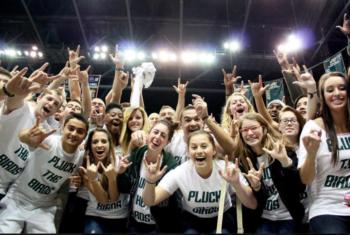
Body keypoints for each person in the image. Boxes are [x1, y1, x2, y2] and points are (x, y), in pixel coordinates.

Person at [142, 130, 257, 233]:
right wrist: (150, 182)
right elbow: (150, 201)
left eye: (204, 146)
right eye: (194, 147)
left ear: (213, 150)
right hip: (191, 219)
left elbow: (252, 204)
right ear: (188, 152)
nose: (199, 151)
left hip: (222, 217)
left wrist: (236, 183)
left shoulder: (228, 169)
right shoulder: (180, 172)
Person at [0, 113, 88, 233]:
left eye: (80, 131)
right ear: (63, 128)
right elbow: (23, 136)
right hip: (18, 200)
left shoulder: (80, 157)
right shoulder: (49, 141)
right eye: (71, 128)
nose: (74, 134)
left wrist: (70, 180)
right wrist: (27, 138)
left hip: (44, 207)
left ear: (84, 136)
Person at [236, 113, 305, 233]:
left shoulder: (283, 150)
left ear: (264, 128)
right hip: (263, 218)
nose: (250, 133)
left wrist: (285, 162)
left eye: (254, 128)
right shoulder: (243, 161)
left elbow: (300, 187)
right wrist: (256, 187)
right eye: (245, 130)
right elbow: (254, 202)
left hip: (289, 216)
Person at [298, 72, 350, 233]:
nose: (336, 93)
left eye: (342, 88)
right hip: (327, 208)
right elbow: (306, 179)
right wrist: (311, 153)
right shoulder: (313, 127)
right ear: (322, 97)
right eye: (330, 90)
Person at [117, 120, 179, 233]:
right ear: (149, 133)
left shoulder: (171, 165)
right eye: (155, 132)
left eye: (163, 135)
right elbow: (124, 188)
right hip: (134, 222)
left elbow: (172, 204)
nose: (157, 137)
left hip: (157, 226)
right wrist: (120, 173)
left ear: (168, 142)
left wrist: (152, 181)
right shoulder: (137, 154)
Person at [79, 128, 130, 233]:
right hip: (95, 215)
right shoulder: (85, 165)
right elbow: (103, 200)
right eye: (95, 142)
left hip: (119, 216)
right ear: (90, 146)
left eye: (103, 141)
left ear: (109, 144)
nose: (99, 145)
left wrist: (112, 178)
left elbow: (114, 198)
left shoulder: (119, 162)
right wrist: (93, 179)